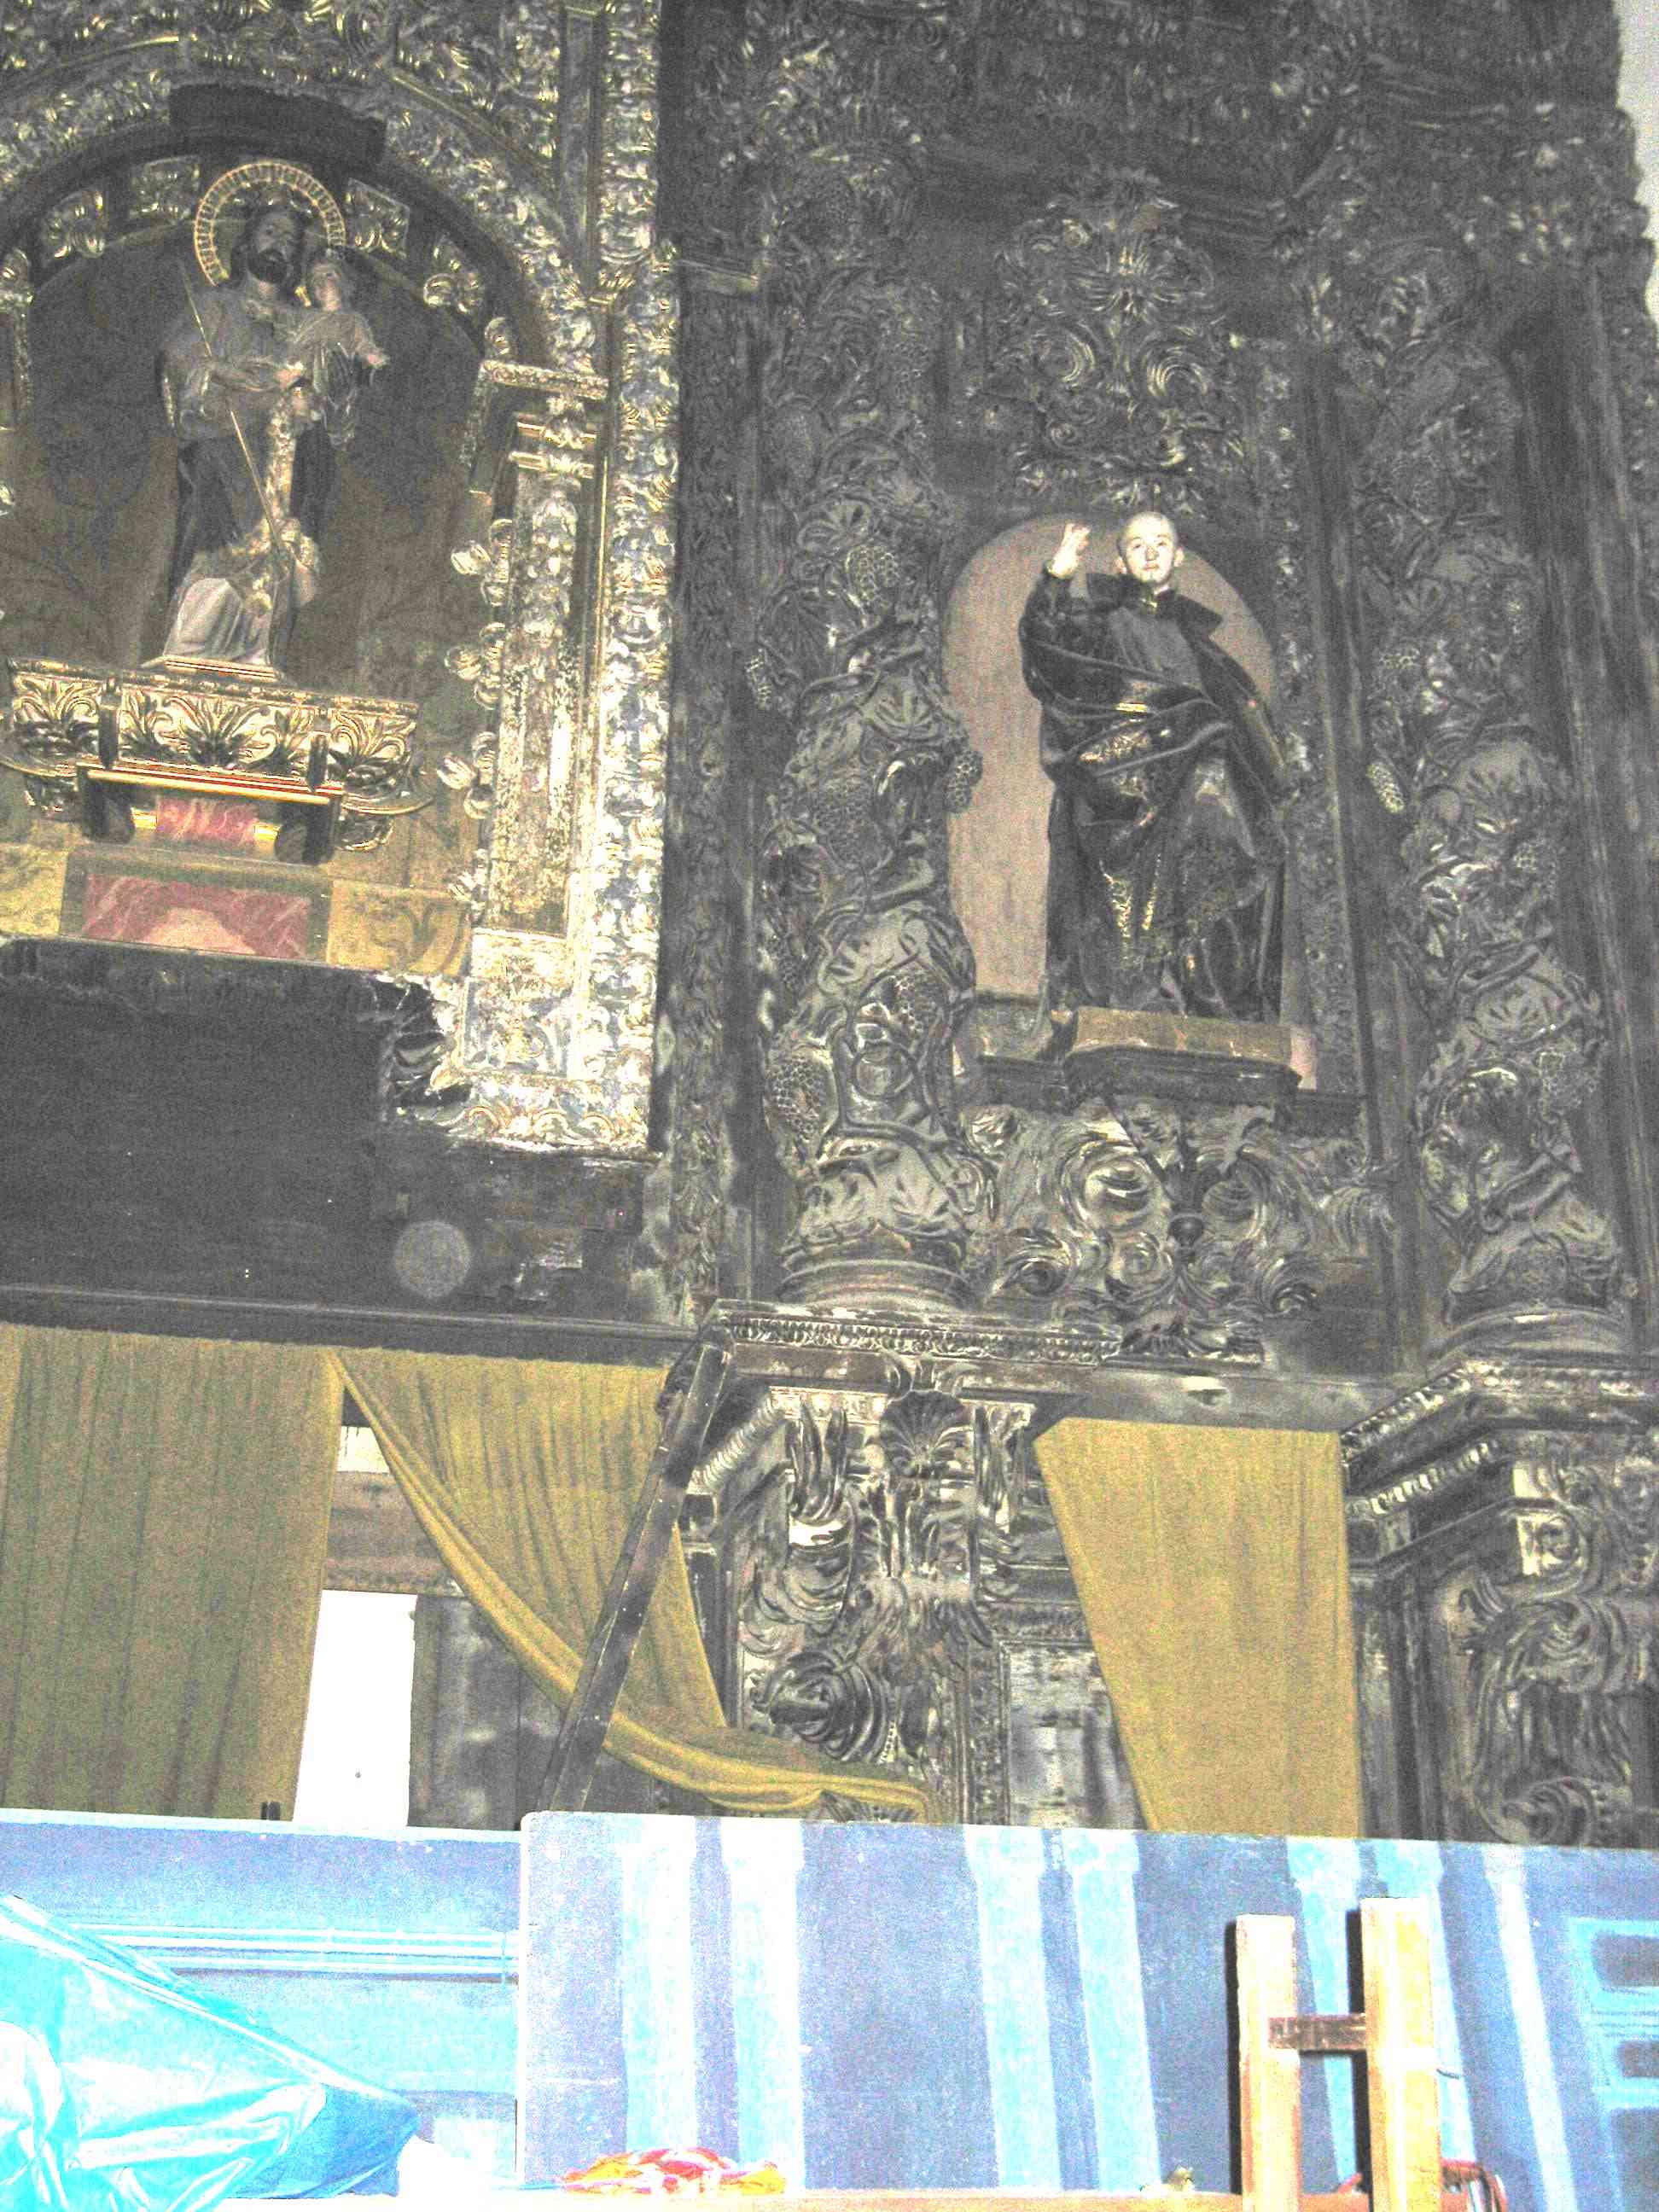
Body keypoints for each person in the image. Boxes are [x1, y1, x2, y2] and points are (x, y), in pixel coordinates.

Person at [1020, 511, 1291, 1022]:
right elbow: (1047, 650)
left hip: (1199, 769)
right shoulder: (1100, 621)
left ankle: (1209, 994)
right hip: (1125, 768)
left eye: (1161, 543)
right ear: (1121, 562)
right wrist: (1057, 576)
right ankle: (1142, 992)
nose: (1150, 553)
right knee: (1137, 856)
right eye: (1137, 545)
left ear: (1178, 556)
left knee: (1233, 837)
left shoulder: (1199, 644)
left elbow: (1244, 721)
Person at [155, 202, 334, 669]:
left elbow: (329, 386)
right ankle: (192, 651)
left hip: (283, 453)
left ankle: (255, 655)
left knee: (275, 551)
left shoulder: (306, 323)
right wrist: (217, 373)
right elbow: (180, 363)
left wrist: (304, 395)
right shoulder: (214, 306)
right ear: (247, 242)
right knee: (213, 537)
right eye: (270, 231)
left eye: (290, 240)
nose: (279, 244)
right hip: (222, 442)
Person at [290, 253, 388, 448]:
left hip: (339, 376)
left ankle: (339, 429)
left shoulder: (352, 319)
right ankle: (306, 416)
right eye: (315, 279)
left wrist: (372, 357)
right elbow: (297, 346)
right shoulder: (308, 318)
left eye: (329, 275)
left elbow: (363, 344)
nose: (321, 283)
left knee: (340, 394)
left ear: (343, 282)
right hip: (306, 376)